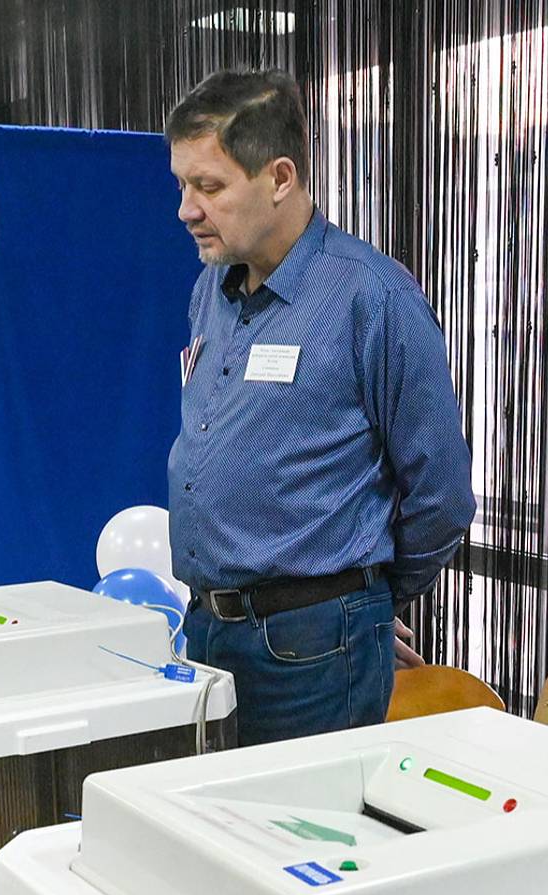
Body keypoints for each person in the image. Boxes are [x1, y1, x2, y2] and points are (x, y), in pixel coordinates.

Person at [165, 69, 476, 747]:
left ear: (279, 178)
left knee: (298, 842)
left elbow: (443, 496)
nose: (187, 209)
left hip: (310, 651)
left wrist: (361, 604)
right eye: (182, 185)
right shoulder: (210, 291)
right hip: (208, 630)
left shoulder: (373, 298)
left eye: (209, 187)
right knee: (213, 840)